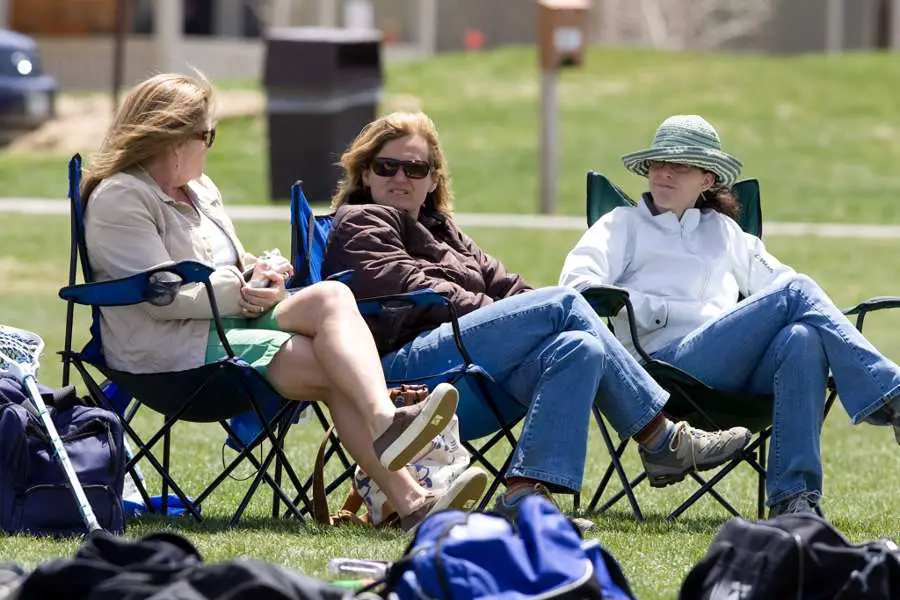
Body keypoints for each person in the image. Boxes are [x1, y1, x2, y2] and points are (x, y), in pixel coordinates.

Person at [81, 73, 487, 532]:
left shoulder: (201, 192)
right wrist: (245, 291)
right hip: (167, 355)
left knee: (333, 296)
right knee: (335, 367)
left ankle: (402, 468)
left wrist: (266, 273)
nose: (209, 146)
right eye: (207, 135)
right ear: (173, 138)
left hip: (227, 326)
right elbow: (160, 296)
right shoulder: (121, 198)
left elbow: (229, 262)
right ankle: (408, 488)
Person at [321, 110, 752, 520]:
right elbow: (414, 289)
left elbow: (508, 285)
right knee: (562, 304)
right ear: (364, 173)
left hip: (474, 377)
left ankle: (526, 498)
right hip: (408, 380)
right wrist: (515, 317)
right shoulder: (359, 222)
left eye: (415, 169)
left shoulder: (445, 232)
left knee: (578, 344)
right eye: (387, 167)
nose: (401, 177)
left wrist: (525, 318)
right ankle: (661, 438)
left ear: (433, 179)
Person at [559, 114, 900, 518]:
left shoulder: (723, 231)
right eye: (657, 163)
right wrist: (662, 310)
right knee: (796, 293)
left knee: (802, 339)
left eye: (680, 165)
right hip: (664, 370)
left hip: (734, 368)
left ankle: (794, 501)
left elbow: (782, 283)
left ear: (707, 179)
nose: (664, 173)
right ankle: (890, 395)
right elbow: (576, 285)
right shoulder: (622, 225)